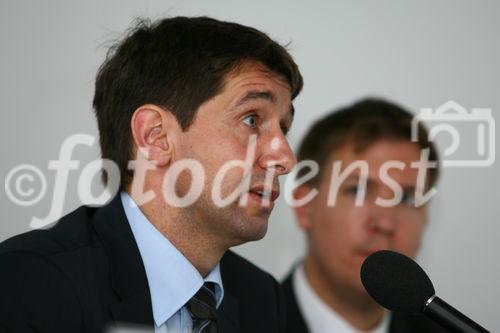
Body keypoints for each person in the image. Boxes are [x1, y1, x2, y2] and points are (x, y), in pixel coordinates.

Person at [0, 16, 303, 333]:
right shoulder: (31, 283)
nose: (285, 158)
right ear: (155, 136)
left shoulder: (261, 297)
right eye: (252, 120)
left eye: (284, 129)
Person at [282, 98, 449, 333]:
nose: (385, 222)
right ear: (304, 206)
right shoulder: (239, 323)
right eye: (357, 190)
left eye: (407, 199)